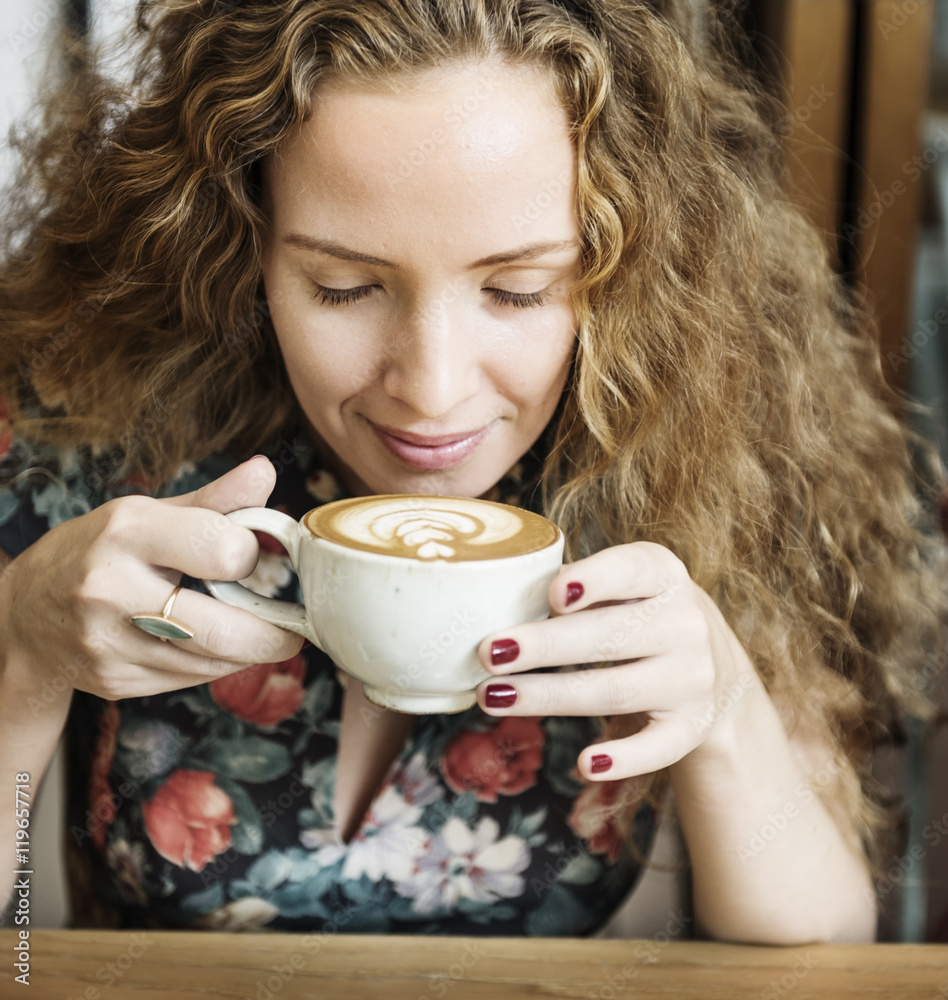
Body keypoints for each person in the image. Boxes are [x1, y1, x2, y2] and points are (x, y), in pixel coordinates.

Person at [0, 0, 942, 942]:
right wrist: (22, 656)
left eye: (516, 289)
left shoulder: (704, 447)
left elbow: (828, 951)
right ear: (241, 238)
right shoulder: (88, 421)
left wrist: (727, 710)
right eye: (345, 286)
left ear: (622, 260)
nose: (432, 392)